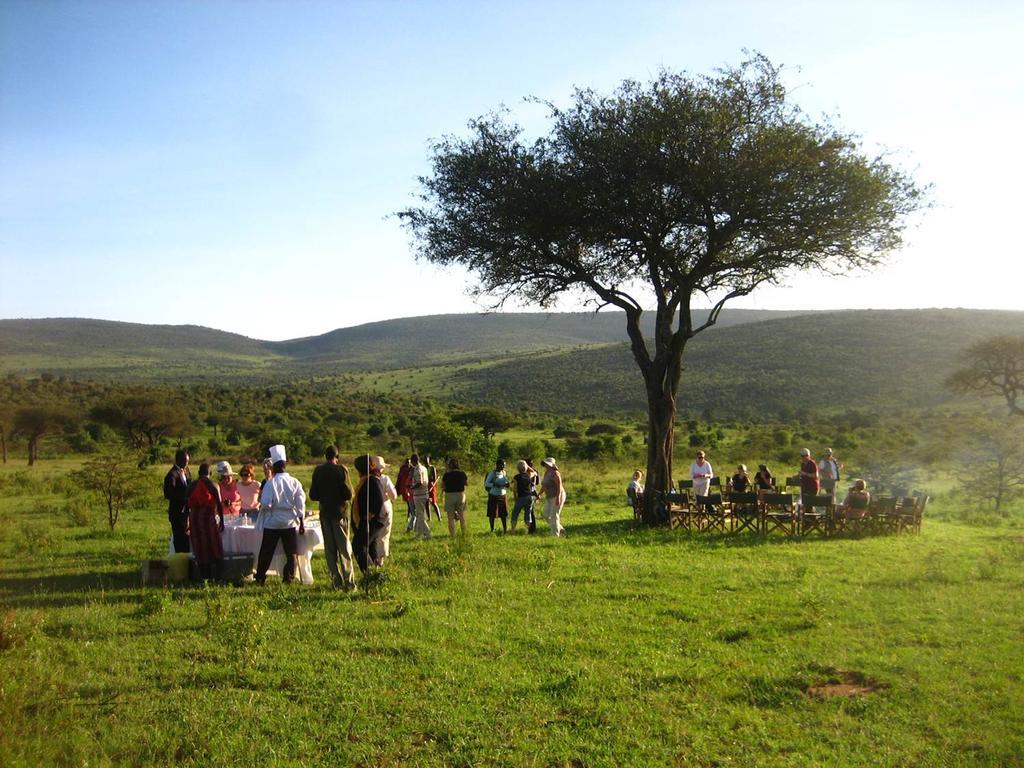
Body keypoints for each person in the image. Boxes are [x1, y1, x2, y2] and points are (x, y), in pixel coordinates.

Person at [255, 444, 306, 585]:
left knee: (266, 552)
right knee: (291, 553)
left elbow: (265, 503)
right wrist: (301, 522)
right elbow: (300, 503)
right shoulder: (294, 482)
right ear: (285, 465)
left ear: (274, 468)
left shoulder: (271, 483)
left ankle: (260, 577)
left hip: (273, 522)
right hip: (289, 521)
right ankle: (288, 578)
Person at [309, 446, 356, 591]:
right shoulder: (341, 470)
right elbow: (349, 494)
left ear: (325, 456)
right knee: (344, 549)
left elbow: (313, 495)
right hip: (340, 513)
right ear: (337, 456)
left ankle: (336, 582)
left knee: (330, 550)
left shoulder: (318, 471)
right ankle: (349, 582)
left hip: (325, 514)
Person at [186, 462, 225, 581]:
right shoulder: (213, 485)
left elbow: (186, 505)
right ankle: (218, 577)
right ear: (211, 473)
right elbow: (219, 504)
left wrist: (187, 522)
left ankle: (204, 577)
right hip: (208, 519)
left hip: (194, 519)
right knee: (214, 546)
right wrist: (222, 521)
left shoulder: (191, 486)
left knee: (200, 548)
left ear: (198, 473)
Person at [351, 454, 386, 573]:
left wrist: (371, 514)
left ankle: (371, 574)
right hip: (371, 520)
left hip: (372, 521)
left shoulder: (372, 480)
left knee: (359, 546)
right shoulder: (367, 479)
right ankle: (376, 572)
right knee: (371, 547)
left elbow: (379, 499)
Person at [163, 449, 191, 553]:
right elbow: (168, 494)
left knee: (186, 539)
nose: (187, 463)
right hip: (177, 513)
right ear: (178, 460)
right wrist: (184, 497)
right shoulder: (172, 474)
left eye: (188, 461)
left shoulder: (185, 472)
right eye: (185, 461)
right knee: (179, 540)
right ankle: (180, 560)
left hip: (185, 513)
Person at [370, 456, 396, 563]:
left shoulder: (367, 479)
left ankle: (373, 557)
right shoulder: (385, 479)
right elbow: (393, 496)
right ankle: (380, 560)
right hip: (384, 508)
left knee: (373, 535)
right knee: (384, 535)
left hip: (371, 509)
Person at [441, 457, 469, 537]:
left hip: (449, 495)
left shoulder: (446, 474)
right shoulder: (462, 473)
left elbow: (442, 485)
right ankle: (464, 533)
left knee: (450, 518)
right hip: (460, 495)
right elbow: (466, 483)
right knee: (462, 516)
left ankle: (453, 535)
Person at [540, 457, 566, 537]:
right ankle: (560, 528)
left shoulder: (555, 473)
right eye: (545, 464)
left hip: (557, 495)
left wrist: (558, 498)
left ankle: (555, 536)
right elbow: (544, 485)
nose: (546, 465)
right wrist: (539, 494)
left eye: (547, 464)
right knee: (545, 514)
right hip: (549, 497)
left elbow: (559, 486)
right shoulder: (546, 473)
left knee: (554, 516)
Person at [408, 454, 432, 539]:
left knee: (420, 515)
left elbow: (419, 482)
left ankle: (428, 533)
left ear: (413, 460)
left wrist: (411, 488)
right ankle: (419, 533)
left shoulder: (417, 469)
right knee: (419, 514)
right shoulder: (424, 468)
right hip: (424, 493)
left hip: (419, 495)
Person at [510, 460, 537, 533]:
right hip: (529, 497)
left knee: (515, 513)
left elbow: (515, 490)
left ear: (517, 468)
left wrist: (515, 498)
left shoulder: (516, 477)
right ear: (525, 468)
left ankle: (513, 530)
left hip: (521, 497)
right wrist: (527, 467)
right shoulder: (529, 475)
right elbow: (535, 473)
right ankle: (528, 530)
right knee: (528, 514)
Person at [484, 458, 510, 533]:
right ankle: (492, 530)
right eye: (502, 465)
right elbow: (486, 483)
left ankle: (505, 530)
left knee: (503, 514)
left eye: (504, 465)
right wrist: (494, 484)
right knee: (492, 514)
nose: (503, 467)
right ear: (497, 465)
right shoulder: (492, 473)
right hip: (494, 495)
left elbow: (506, 481)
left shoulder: (504, 472)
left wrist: (507, 484)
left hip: (502, 495)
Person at [396, 458, 414, 532]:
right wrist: (397, 485)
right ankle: (409, 516)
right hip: (404, 486)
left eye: (409, 462)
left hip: (409, 486)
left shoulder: (412, 468)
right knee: (408, 502)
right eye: (407, 462)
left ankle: (409, 516)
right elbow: (399, 477)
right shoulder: (402, 468)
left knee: (409, 502)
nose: (408, 463)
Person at [425, 456, 442, 521]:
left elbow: (435, 478)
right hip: (425, 486)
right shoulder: (424, 468)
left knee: (433, 502)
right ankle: (429, 518)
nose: (426, 461)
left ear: (429, 460)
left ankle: (439, 517)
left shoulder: (432, 468)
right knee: (426, 503)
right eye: (425, 460)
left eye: (427, 460)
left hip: (431, 485)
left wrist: (432, 484)